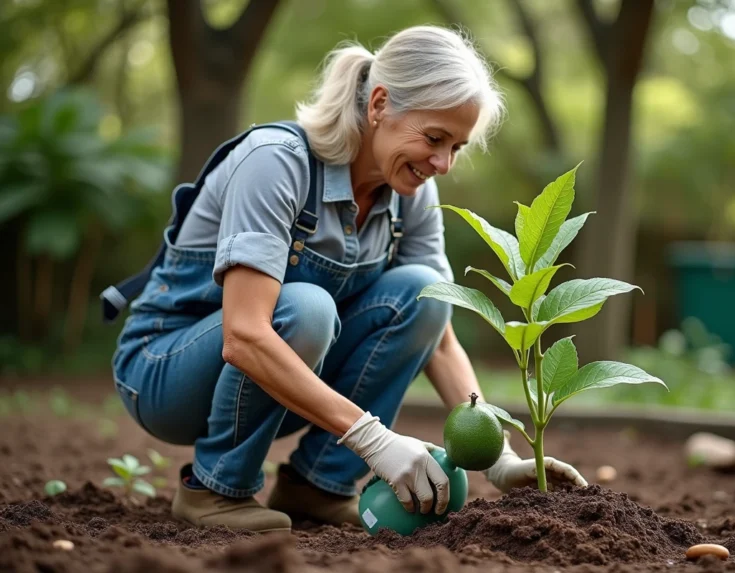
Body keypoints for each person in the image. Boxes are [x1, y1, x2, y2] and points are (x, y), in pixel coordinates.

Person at [105, 25, 587, 534]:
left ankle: (316, 486)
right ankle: (214, 491)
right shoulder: (277, 163)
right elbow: (244, 335)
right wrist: (374, 440)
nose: (443, 164)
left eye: (458, 147)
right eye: (434, 138)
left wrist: (499, 458)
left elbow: (439, 339)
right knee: (307, 308)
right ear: (379, 104)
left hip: (278, 378)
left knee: (424, 295)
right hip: (164, 373)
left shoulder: (410, 196)